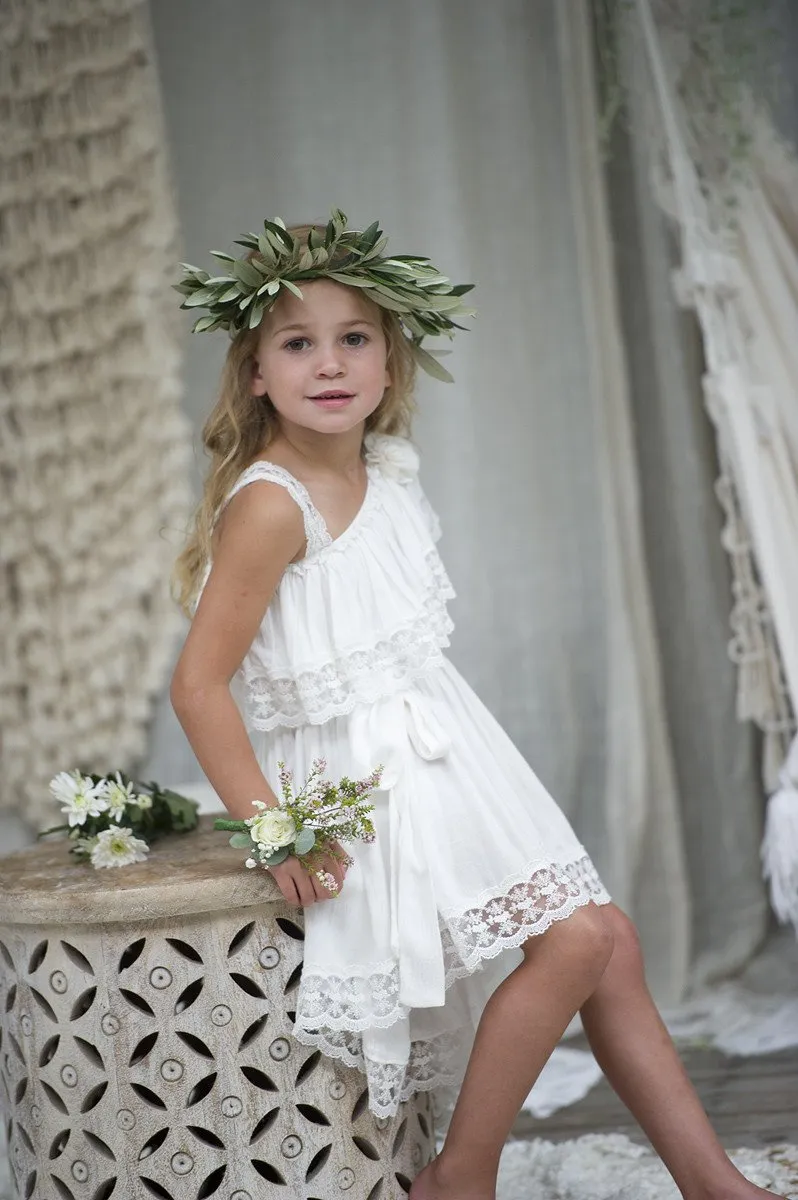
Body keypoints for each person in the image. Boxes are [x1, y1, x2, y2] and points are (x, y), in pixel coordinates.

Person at [170, 211, 781, 1200]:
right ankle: (463, 1177)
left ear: (390, 359)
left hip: (443, 749)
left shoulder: (388, 474)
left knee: (607, 940)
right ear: (255, 373)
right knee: (579, 939)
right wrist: (275, 834)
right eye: (297, 343)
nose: (329, 364)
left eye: (353, 338)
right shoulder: (272, 504)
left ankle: (716, 1187)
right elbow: (197, 686)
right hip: (358, 779)